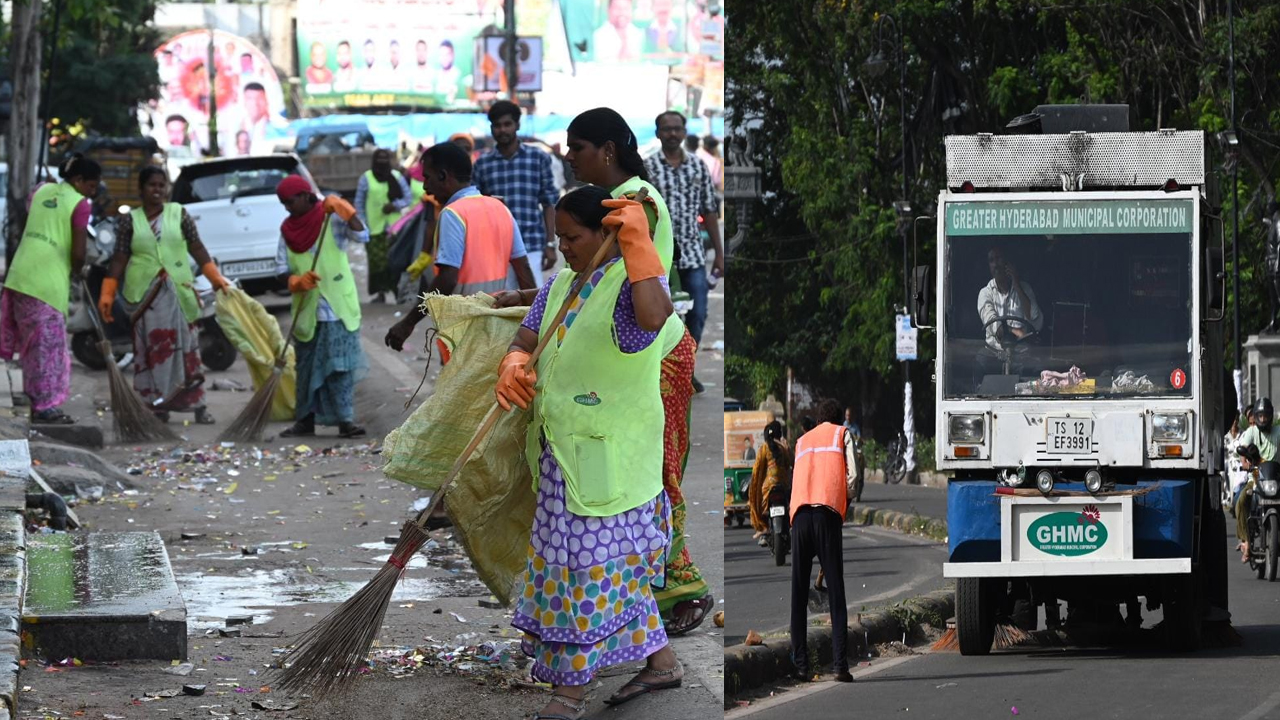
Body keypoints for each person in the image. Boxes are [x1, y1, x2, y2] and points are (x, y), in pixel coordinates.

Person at [499, 184, 683, 718]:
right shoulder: (560, 286)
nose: (564, 248)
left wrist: (641, 250)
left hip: (612, 464)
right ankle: (663, 662)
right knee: (611, 570)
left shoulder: (629, 289)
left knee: (586, 575)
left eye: (573, 237)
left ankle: (570, 692)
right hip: (563, 460)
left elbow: (655, 319)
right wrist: (513, 362)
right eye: (559, 238)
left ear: (607, 234)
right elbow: (527, 337)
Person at [562, 106, 714, 636]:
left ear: (607, 149)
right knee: (626, 468)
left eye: (577, 146)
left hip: (658, 351)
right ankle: (639, 586)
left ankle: (682, 588)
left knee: (657, 470)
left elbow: (631, 291)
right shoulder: (609, 202)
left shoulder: (635, 204)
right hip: (624, 354)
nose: (568, 155)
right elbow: (585, 282)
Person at [99, 166, 231, 425]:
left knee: (187, 350)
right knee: (152, 352)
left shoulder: (179, 214)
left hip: (179, 292)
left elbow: (198, 248)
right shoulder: (130, 220)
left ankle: (198, 406)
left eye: (162, 185)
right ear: (140, 189)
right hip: (145, 296)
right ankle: (158, 406)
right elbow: (119, 258)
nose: (157, 190)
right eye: (152, 185)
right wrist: (107, 291)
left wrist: (215, 278)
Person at [385, 141, 536, 352]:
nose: (425, 186)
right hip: (501, 322)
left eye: (427, 177)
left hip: (466, 325)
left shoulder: (453, 213)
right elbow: (523, 268)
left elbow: (447, 279)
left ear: (443, 176)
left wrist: (408, 322)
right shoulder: (499, 208)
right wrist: (532, 317)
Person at [0, 154, 101, 424]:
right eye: (91, 186)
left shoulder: (41, 190)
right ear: (78, 180)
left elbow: (39, 208)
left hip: (21, 274)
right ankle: (45, 406)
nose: (93, 192)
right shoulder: (79, 204)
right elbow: (79, 253)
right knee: (47, 346)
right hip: (46, 280)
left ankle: (36, 400)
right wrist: (79, 268)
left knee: (32, 344)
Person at [273, 175, 370, 439]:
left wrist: (347, 212)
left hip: (338, 307)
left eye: (290, 201)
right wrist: (294, 282)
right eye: (283, 204)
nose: (287, 208)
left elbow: (363, 235)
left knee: (339, 367)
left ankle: (345, 420)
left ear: (306, 195)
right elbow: (280, 268)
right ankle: (305, 420)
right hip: (307, 311)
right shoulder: (287, 230)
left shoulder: (331, 217)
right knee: (305, 368)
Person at [644, 111, 723, 392]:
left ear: (684, 131)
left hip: (692, 253)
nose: (673, 134)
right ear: (658, 133)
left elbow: (710, 210)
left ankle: (686, 367)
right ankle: (663, 370)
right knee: (663, 316)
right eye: (667, 129)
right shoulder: (648, 167)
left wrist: (721, 255)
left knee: (698, 313)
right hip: (658, 256)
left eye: (677, 129)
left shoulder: (698, 167)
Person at [789, 399, 856, 684]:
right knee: (836, 593)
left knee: (798, 595)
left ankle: (801, 666)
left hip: (800, 517)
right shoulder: (842, 434)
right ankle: (840, 666)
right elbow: (852, 477)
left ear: (818, 419)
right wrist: (847, 499)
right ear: (840, 419)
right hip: (827, 515)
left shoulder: (802, 441)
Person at [473, 101, 559, 287]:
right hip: (494, 248)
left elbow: (549, 203)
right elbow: (475, 207)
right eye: (497, 125)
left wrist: (550, 244)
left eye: (507, 124)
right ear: (491, 128)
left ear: (517, 125)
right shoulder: (482, 164)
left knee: (530, 303)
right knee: (501, 304)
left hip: (531, 244)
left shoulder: (538, 158)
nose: (502, 130)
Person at [355, 149, 412, 301]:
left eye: (384, 158)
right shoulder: (365, 178)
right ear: (374, 161)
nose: (382, 161)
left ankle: (397, 292)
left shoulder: (397, 177)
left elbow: (408, 198)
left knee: (394, 261)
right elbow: (359, 203)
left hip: (394, 229)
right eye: (378, 159)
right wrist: (362, 224)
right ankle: (380, 293)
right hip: (373, 229)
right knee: (377, 263)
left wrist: (395, 205)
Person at [1236, 397, 1280, 561]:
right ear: (1255, 416)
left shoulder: (1278, 431)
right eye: (1260, 416)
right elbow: (1243, 451)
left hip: (1276, 479)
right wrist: (1246, 463)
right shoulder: (1251, 432)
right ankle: (1246, 541)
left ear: (1271, 416)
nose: (1263, 419)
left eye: (1266, 416)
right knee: (1241, 501)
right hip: (1255, 480)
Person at [978, 247, 1043, 354]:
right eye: (991, 261)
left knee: (1037, 366)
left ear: (1007, 263)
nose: (996, 265)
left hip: (1022, 351)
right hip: (994, 351)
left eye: (998, 259)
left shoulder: (1025, 288)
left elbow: (1035, 319)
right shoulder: (985, 293)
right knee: (980, 362)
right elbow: (994, 325)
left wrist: (1016, 285)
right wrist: (1017, 332)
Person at [749, 420, 792, 544]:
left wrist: (755, 486)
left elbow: (757, 470)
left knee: (758, 504)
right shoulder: (783, 448)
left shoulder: (763, 449)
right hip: (783, 485)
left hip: (768, 487)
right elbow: (790, 462)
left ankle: (764, 528)